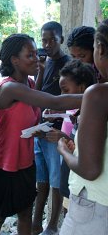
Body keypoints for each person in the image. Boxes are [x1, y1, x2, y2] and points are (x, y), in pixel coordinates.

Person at [0, 33, 82, 235]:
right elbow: (54, 102)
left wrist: (39, 127)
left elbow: (30, 115)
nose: (37, 58)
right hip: (5, 165)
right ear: (14, 60)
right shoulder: (10, 88)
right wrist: (95, 93)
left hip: (26, 164)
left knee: (25, 216)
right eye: (30, 55)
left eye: (35, 54)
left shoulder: (28, 84)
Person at [57, 19, 108, 235]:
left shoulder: (98, 94)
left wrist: (62, 149)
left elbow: (90, 169)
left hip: (96, 204)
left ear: (100, 49)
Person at [32, 21, 70, 235]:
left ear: (61, 40)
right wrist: (40, 72)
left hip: (55, 133)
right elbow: (37, 95)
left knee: (56, 181)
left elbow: (67, 100)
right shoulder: (45, 65)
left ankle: (53, 226)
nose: (46, 44)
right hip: (40, 130)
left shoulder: (68, 65)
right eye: (43, 40)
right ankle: (37, 223)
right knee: (42, 180)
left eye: (52, 40)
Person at [44, 59, 96, 214]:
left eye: (65, 91)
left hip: (81, 186)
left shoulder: (90, 116)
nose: (61, 96)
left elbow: (86, 151)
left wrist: (63, 137)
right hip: (71, 179)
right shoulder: (77, 113)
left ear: (81, 88)